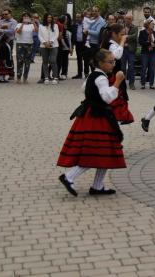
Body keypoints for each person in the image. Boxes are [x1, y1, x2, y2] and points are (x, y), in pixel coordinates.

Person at [57, 49, 126, 197]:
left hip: (90, 115)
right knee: (96, 151)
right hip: (97, 118)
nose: (113, 64)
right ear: (100, 63)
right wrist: (117, 82)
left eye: (114, 61)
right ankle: (69, 177)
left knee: (105, 152)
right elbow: (107, 97)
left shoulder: (93, 75)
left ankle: (97, 186)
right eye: (110, 62)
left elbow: (84, 89)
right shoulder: (101, 78)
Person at [100, 24, 134, 125]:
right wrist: (122, 42)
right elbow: (117, 56)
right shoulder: (111, 45)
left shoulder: (113, 44)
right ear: (114, 34)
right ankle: (115, 117)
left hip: (115, 73)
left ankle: (119, 117)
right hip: (113, 75)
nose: (123, 36)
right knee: (116, 96)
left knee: (120, 95)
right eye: (121, 34)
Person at [0, 9, 17, 83]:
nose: (4, 15)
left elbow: (12, 31)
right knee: (0, 58)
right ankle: (0, 73)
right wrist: (1, 28)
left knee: (9, 57)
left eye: (6, 14)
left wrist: (1, 29)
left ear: (10, 14)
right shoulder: (1, 21)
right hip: (0, 41)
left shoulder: (14, 22)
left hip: (9, 42)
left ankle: (11, 74)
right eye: (3, 14)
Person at [38, 14, 60, 84]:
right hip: (44, 46)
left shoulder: (55, 25)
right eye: (48, 17)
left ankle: (55, 77)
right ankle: (46, 78)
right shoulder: (41, 26)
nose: (49, 18)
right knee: (45, 62)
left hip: (53, 45)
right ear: (45, 18)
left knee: (53, 61)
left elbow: (56, 34)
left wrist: (51, 42)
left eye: (50, 17)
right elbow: (39, 35)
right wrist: (44, 43)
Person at [138, 20, 155, 89]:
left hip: (153, 53)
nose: (153, 25)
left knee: (152, 69)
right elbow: (140, 42)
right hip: (145, 52)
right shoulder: (142, 32)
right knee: (144, 68)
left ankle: (151, 84)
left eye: (153, 24)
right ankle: (143, 83)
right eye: (152, 24)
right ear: (147, 25)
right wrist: (149, 43)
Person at [14, 13, 35, 84]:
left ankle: (25, 78)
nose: (26, 17)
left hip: (29, 44)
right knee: (20, 61)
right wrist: (23, 24)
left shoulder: (31, 25)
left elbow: (36, 31)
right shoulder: (19, 24)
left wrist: (33, 22)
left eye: (27, 16)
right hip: (20, 43)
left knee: (27, 62)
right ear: (22, 17)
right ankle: (18, 77)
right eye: (24, 16)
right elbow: (18, 32)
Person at [121, 14, 138, 90]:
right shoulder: (121, 27)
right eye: (126, 18)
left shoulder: (135, 27)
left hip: (131, 50)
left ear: (132, 20)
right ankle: (122, 83)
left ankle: (131, 84)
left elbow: (135, 36)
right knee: (122, 67)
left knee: (131, 67)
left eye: (129, 19)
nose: (127, 20)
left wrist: (126, 37)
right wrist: (123, 39)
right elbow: (119, 36)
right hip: (123, 50)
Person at [70, 12, 88, 79]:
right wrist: (72, 46)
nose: (77, 18)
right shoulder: (74, 25)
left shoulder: (85, 25)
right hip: (78, 44)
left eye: (79, 17)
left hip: (85, 44)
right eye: (76, 17)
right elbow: (73, 36)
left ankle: (86, 73)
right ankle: (79, 74)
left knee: (86, 59)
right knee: (79, 59)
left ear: (82, 18)